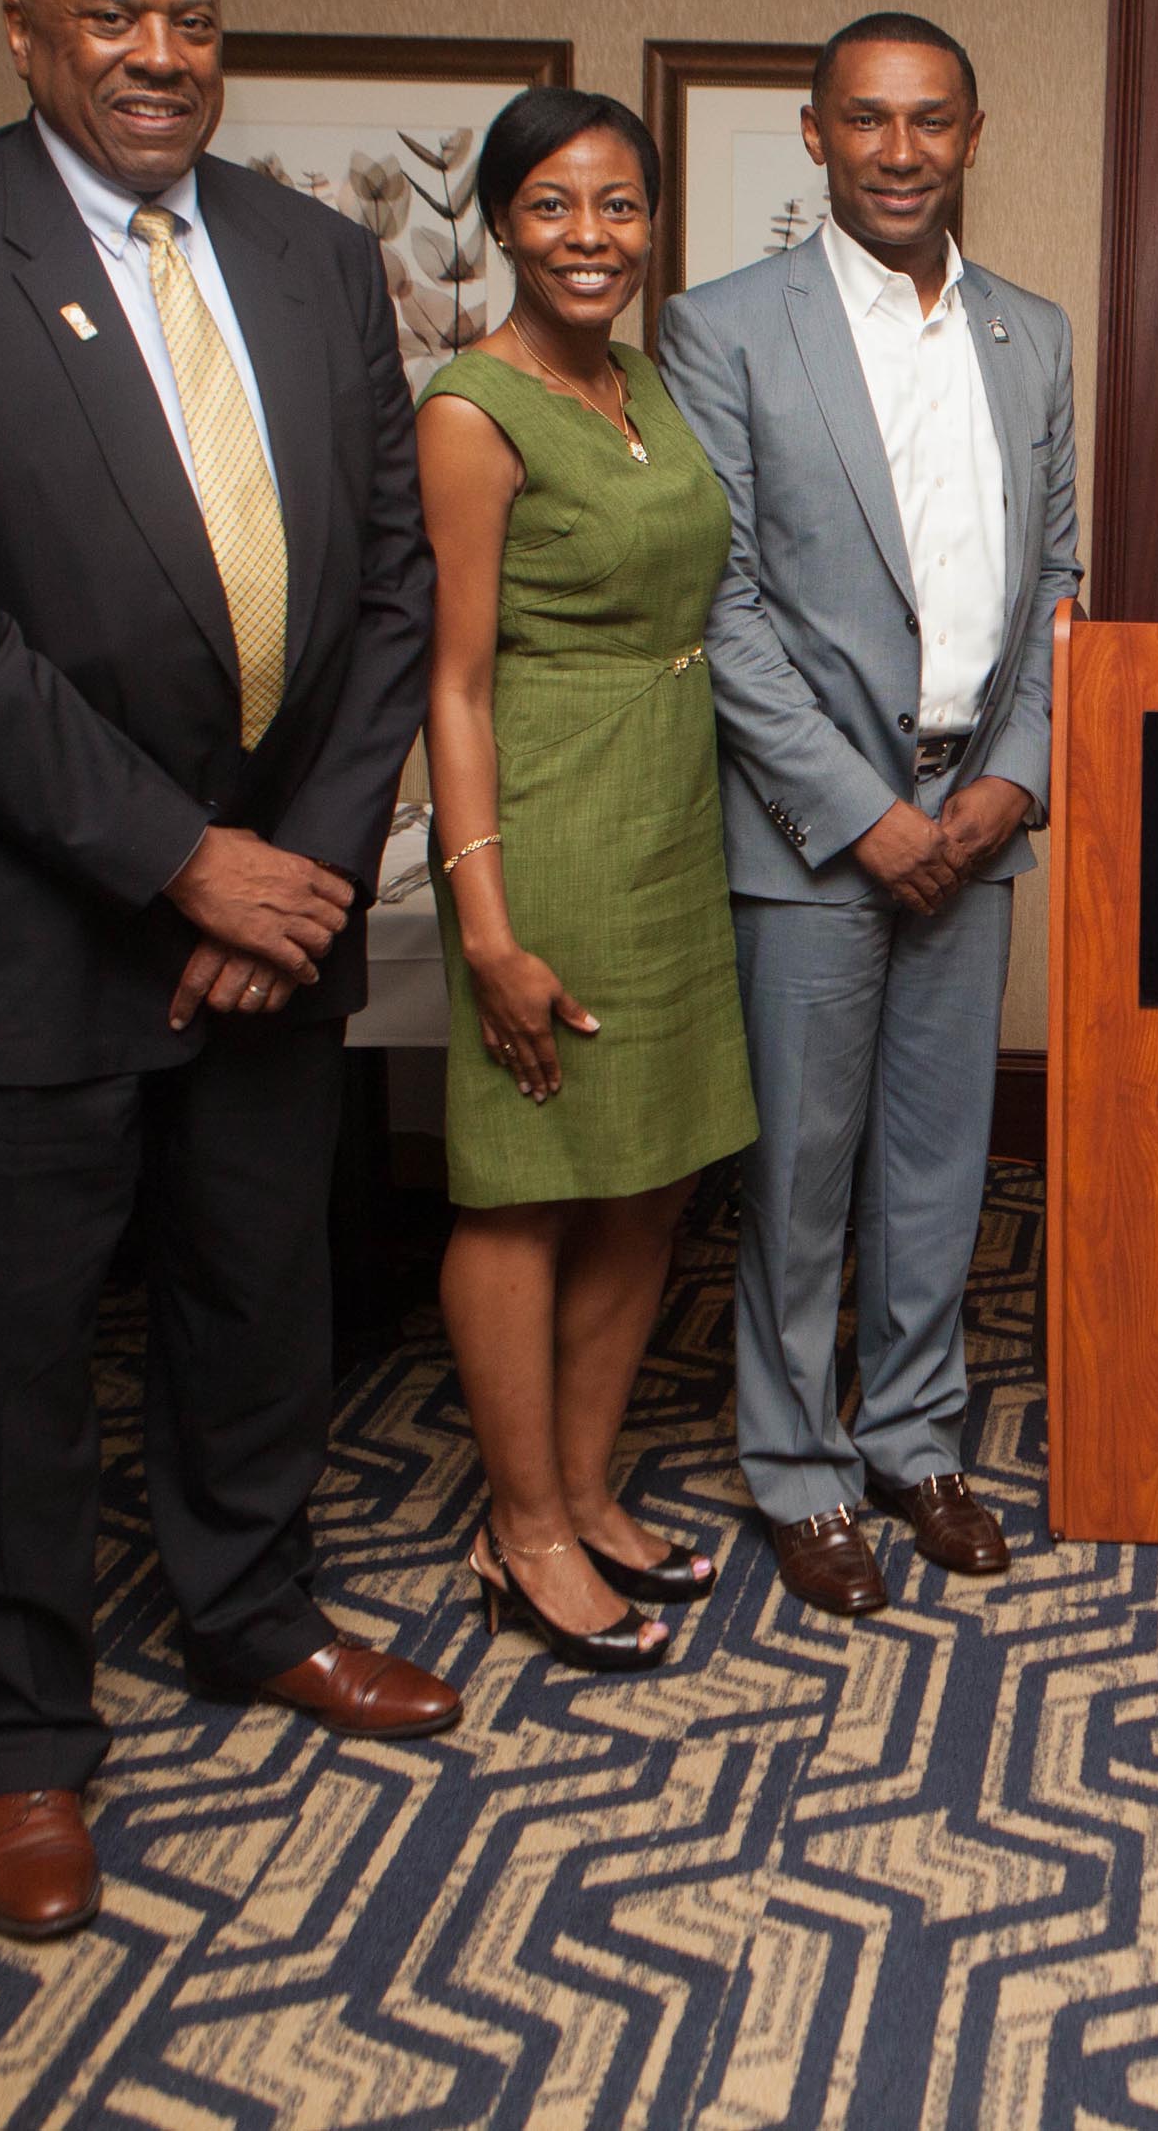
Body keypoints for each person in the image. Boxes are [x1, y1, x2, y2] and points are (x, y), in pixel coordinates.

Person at [0, 0, 454, 1942]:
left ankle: (251, 1612)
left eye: (192, 20)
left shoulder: (316, 256)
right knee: (4, 1352)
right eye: (113, 20)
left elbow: (386, 593)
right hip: (24, 922)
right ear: (23, 34)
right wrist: (185, 860)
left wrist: (299, 878)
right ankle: (12, 1739)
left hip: (277, 918)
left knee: (263, 1304)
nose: (159, 54)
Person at [659, 13, 1081, 1616]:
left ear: (976, 132)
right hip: (812, 823)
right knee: (805, 1167)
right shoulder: (724, 329)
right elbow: (730, 604)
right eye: (865, 121)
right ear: (815, 135)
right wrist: (859, 812)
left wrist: (1010, 782)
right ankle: (797, 1465)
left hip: (978, 813)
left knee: (939, 1159)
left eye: (930, 121)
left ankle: (912, 1434)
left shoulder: (1029, 336)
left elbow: (1056, 581)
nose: (899, 151)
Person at [416, 87, 753, 1673]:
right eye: (553, 205)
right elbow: (456, 686)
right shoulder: (472, 410)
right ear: (500, 222)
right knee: (526, 1180)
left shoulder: (643, 379)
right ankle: (523, 1525)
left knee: (652, 1170)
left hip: (671, 812)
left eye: (618, 205)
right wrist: (486, 923)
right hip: (546, 815)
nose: (590, 237)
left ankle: (588, 1485)